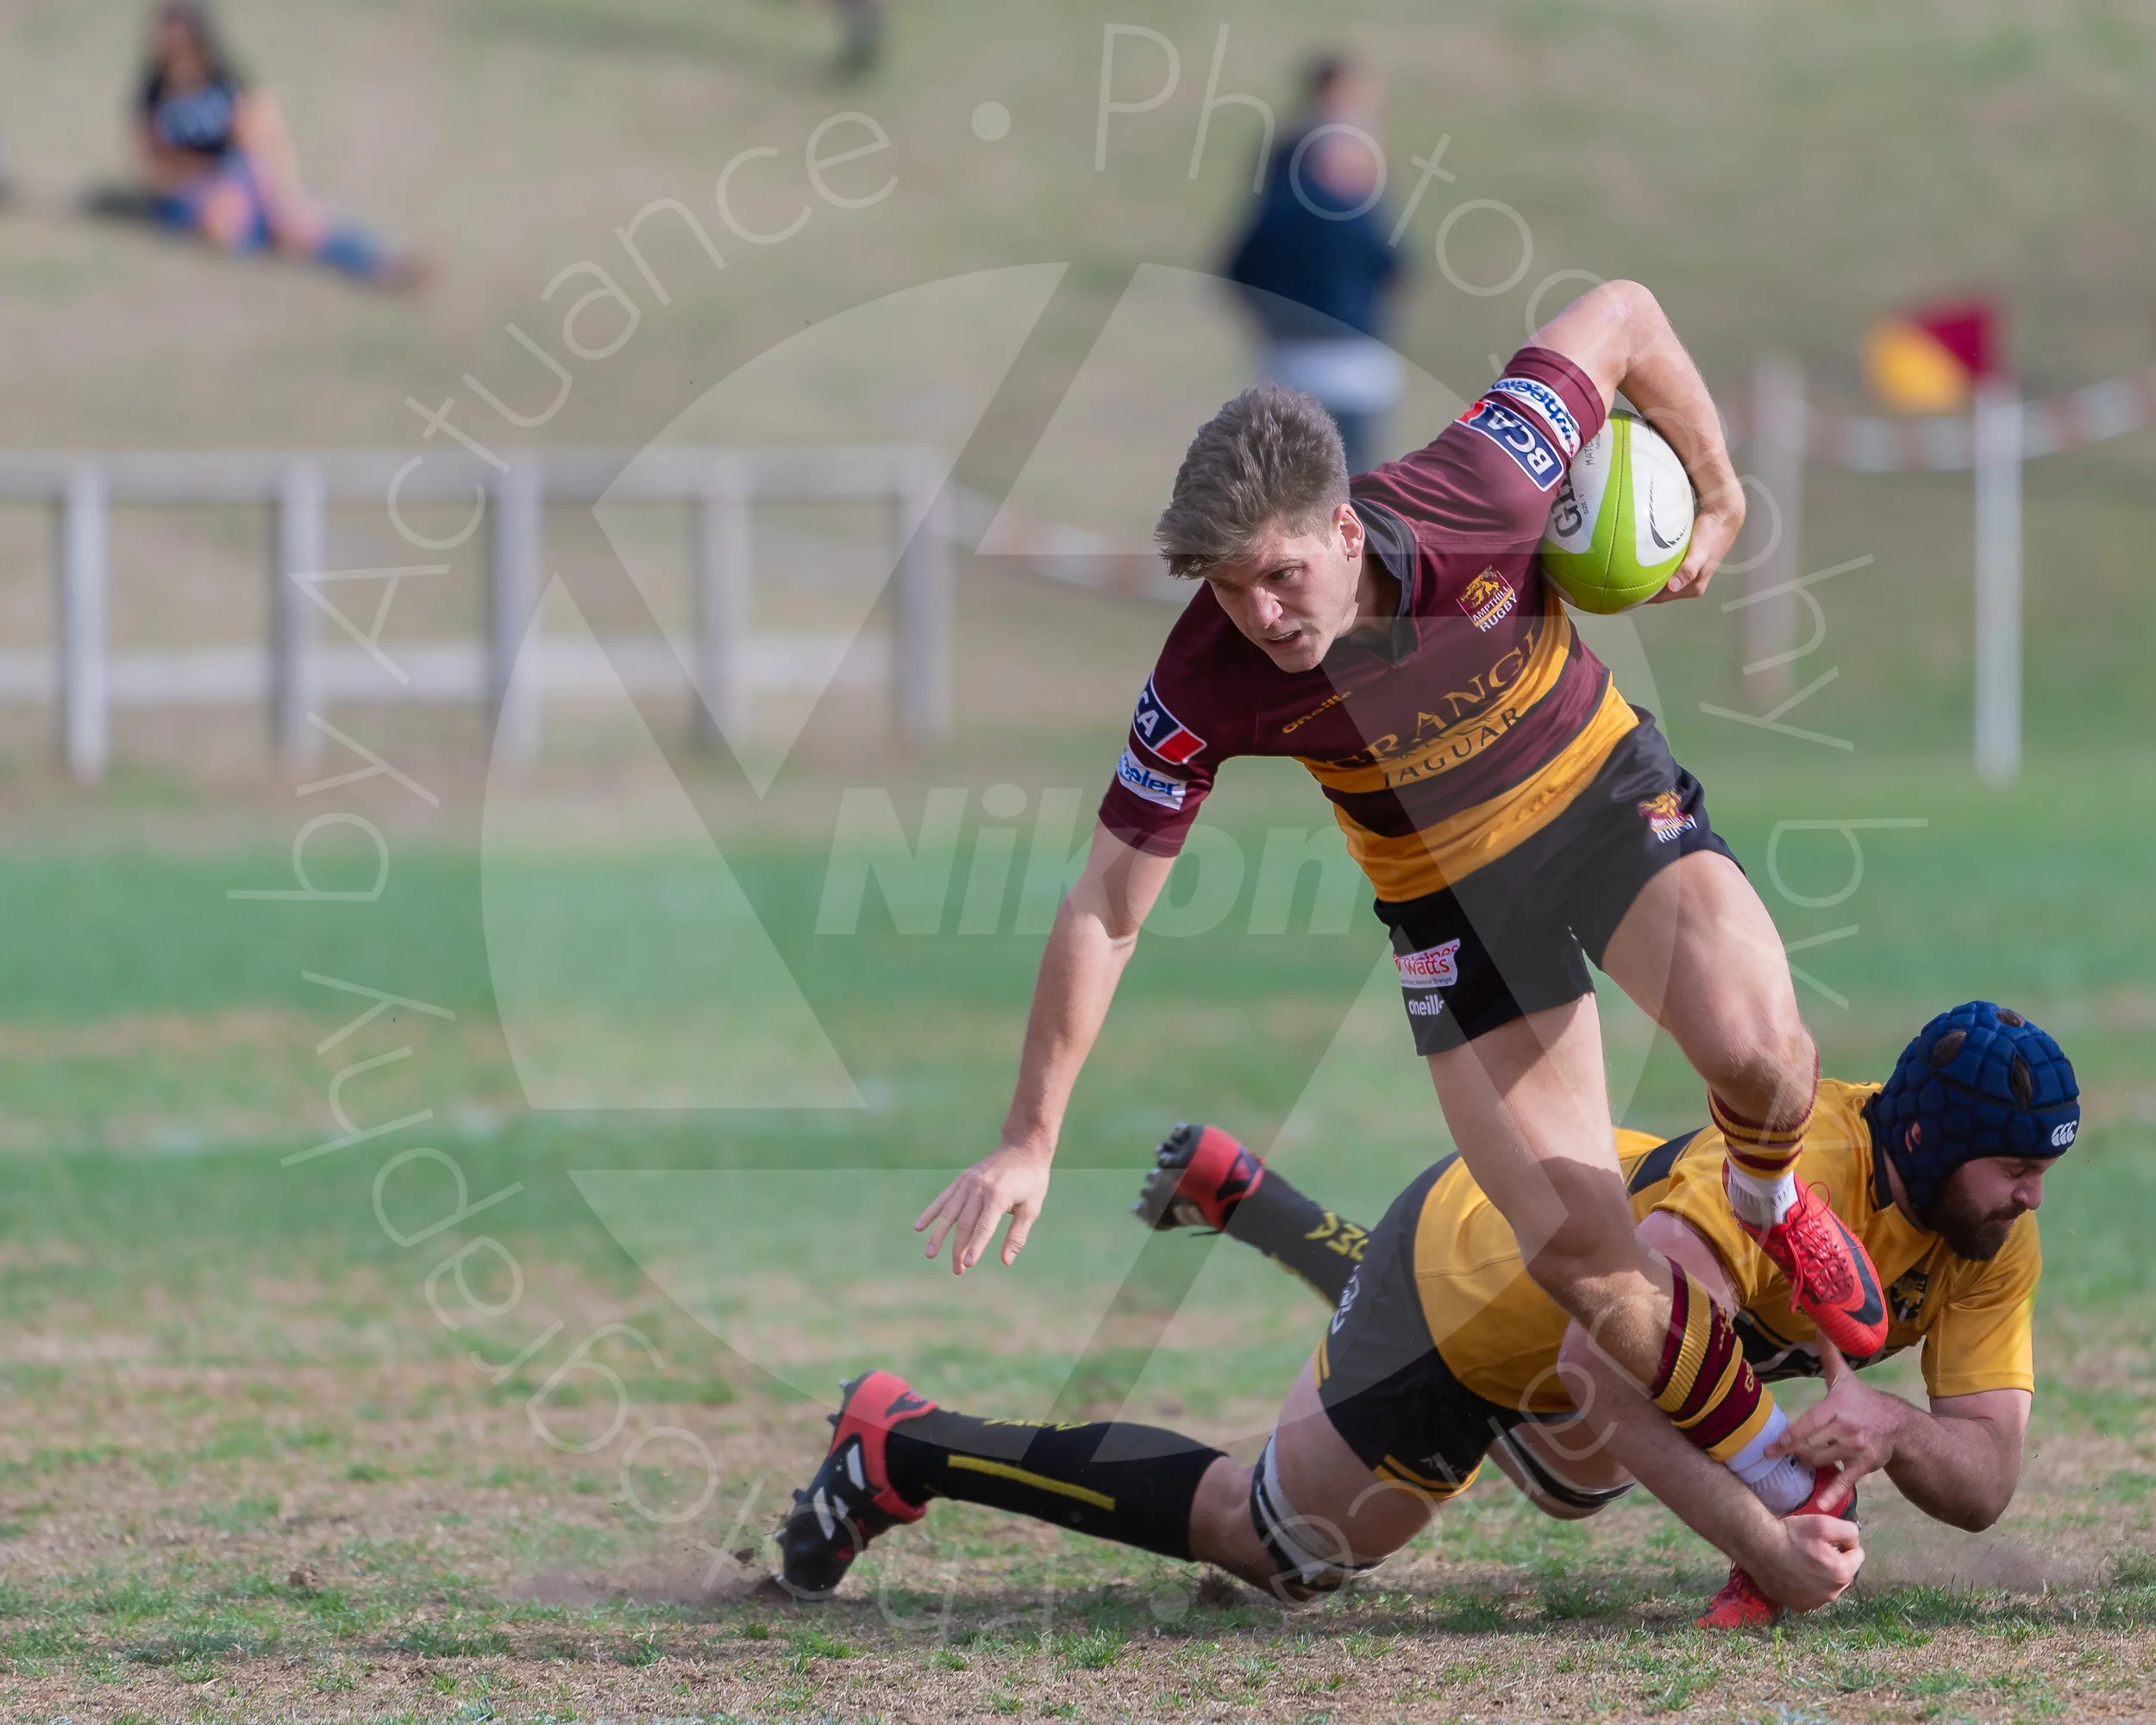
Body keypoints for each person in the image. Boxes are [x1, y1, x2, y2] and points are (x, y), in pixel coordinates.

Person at [916, 279, 1889, 1531]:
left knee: (1763, 1057)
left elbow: (1630, 313)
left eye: (1274, 576)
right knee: (1587, 1259)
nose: (1257, 617)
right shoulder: (1205, 675)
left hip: (1600, 803)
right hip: (1454, 913)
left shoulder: (1479, 486)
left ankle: (1770, 1197)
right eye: (1225, 587)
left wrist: (1719, 489)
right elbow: (1107, 906)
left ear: (1339, 529)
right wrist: (1030, 1135)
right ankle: (1785, 1480)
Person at [788, 1004, 2077, 1625]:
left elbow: (1986, 1478)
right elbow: (1602, 1352)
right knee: (1282, 1548)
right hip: (1460, 1285)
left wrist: (1898, 1435)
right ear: (1922, 1141)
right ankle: (902, 1445)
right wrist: (1765, 1542)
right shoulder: (1795, 1172)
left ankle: (1256, 1204)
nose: (2030, 1197)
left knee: (1586, 1480)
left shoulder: (1983, 1236)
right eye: (2013, 1168)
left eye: (2042, 1174)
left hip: (1563, 1321)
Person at [132, 0, 426, 288]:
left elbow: (262, 129)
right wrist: (208, 187)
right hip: (194, 188)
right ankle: (281, 233)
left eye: (182, 40)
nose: (175, 49)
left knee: (296, 216)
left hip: (242, 173)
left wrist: (274, 182)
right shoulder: (153, 95)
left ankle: (381, 261)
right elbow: (156, 166)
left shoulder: (226, 80)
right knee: (227, 225)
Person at [1224, 56, 1403, 474]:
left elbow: (1243, 262)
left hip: (1308, 348)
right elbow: (1392, 261)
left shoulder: (1302, 165)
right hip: (1330, 347)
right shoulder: (1301, 166)